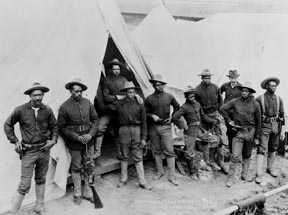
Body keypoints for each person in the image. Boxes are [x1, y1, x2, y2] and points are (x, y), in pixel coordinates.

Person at [4, 82, 58, 215]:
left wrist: (53, 140)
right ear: (30, 96)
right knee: (24, 184)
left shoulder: (47, 110)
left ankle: (39, 206)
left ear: (43, 95)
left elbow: (55, 127)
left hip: (44, 150)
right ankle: (14, 211)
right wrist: (15, 142)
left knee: (41, 178)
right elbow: (7, 125)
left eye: (40, 95)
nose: (38, 98)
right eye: (35, 95)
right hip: (28, 152)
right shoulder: (20, 110)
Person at [57, 78, 98, 205]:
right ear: (70, 91)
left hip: (88, 141)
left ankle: (88, 192)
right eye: (75, 91)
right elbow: (61, 127)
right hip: (75, 143)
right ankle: (77, 193)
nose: (78, 94)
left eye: (80, 91)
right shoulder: (64, 107)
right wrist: (76, 137)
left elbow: (96, 120)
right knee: (76, 167)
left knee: (89, 166)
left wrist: (90, 135)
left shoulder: (88, 103)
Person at [94, 58, 142, 159]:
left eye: (118, 69)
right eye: (114, 69)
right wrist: (118, 97)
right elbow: (106, 97)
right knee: (100, 128)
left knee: (118, 131)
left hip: (121, 109)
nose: (116, 71)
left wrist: (137, 96)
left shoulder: (123, 79)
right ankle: (97, 151)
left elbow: (129, 92)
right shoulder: (106, 80)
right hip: (110, 109)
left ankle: (120, 152)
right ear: (111, 70)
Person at [107, 81, 152, 190]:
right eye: (128, 92)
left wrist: (144, 138)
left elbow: (144, 122)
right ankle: (123, 179)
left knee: (138, 156)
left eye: (132, 92)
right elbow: (106, 107)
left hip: (137, 130)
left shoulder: (140, 104)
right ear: (125, 92)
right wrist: (118, 98)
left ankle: (142, 181)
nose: (131, 94)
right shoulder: (119, 104)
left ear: (135, 92)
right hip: (124, 131)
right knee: (124, 156)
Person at [171, 86, 218, 180]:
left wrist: (211, 121)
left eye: (194, 96)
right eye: (191, 97)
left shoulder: (198, 104)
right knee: (190, 152)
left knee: (212, 140)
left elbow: (203, 116)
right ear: (186, 97)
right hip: (190, 132)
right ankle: (193, 172)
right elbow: (174, 117)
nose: (193, 98)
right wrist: (183, 126)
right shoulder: (184, 107)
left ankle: (207, 162)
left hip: (199, 129)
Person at [220, 82, 261, 187]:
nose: (244, 92)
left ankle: (245, 175)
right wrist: (229, 121)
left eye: (246, 91)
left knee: (247, 154)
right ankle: (230, 178)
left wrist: (257, 137)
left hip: (250, 132)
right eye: (242, 90)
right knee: (235, 156)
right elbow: (222, 109)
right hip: (238, 132)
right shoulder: (235, 101)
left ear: (250, 92)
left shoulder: (255, 104)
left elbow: (258, 122)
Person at [145, 74, 180, 186]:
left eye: (160, 85)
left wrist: (172, 118)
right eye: (156, 85)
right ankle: (160, 171)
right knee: (156, 150)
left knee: (170, 150)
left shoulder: (169, 96)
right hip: (154, 127)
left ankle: (172, 176)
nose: (158, 87)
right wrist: (152, 116)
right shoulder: (149, 99)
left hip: (166, 127)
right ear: (153, 86)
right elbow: (144, 113)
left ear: (163, 85)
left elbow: (177, 107)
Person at [194, 69, 228, 174]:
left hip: (215, 116)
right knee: (207, 140)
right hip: (204, 118)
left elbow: (220, 101)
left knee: (219, 140)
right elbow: (197, 107)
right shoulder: (197, 90)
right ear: (202, 78)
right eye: (205, 78)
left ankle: (221, 162)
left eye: (209, 78)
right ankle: (210, 161)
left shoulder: (215, 87)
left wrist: (220, 113)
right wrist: (202, 119)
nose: (207, 80)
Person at [255, 77, 285, 184]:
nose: (274, 87)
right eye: (272, 85)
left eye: (275, 86)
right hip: (264, 125)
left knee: (273, 147)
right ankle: (258, 174)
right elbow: (255, 116)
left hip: (275, 126)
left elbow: (282, 116)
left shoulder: (279, 99)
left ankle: (270, 168)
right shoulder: (259, 99)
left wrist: (282, 130)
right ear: (267, 86)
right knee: (262, 148)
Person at [220, 70, 242, 151]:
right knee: (229, 130)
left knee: (235, 130)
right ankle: (230, 148)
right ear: (229, 78)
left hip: (236, 113)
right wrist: (222, 104)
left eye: (235, 78)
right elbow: (219, 93)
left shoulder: (241, 87)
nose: (233, 80)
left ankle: (235, 149)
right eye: (231, 78)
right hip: (226, 113)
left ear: (237, 77)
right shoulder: (225, 86)